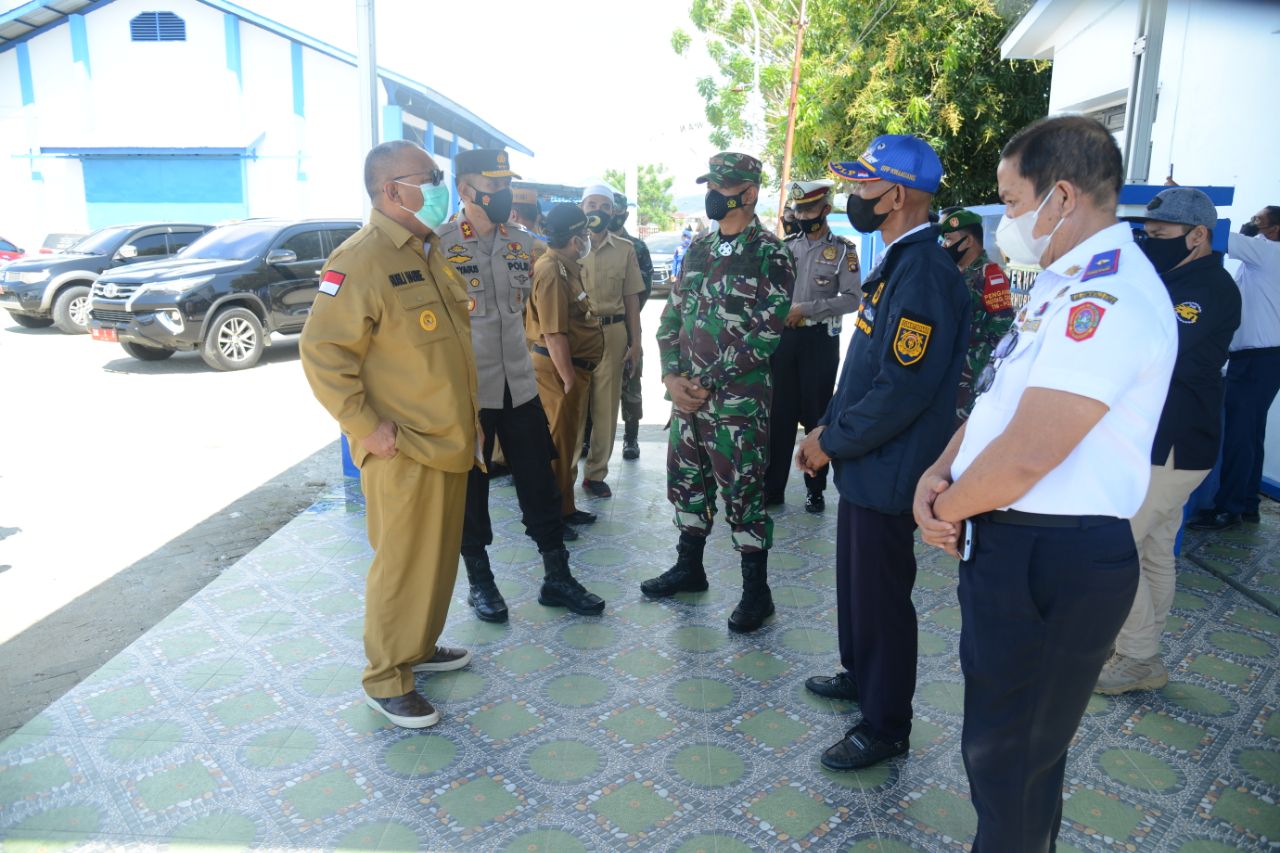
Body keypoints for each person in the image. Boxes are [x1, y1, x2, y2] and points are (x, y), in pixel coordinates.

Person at [913, 115, 1178, 851]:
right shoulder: (1061, 285)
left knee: (1012, 761)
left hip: (1054, 556)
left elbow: (1032, 452)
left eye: (1013, 200)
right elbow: (1001, 401)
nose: (1009, 221)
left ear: (1061, 196)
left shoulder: (1112, 296)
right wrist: (940, 471)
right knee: (1008, 755)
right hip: (1011, 540)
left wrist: (941, 509)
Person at [795, 136, 969, 769]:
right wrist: (825, 427)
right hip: (867, 460)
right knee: (856, 584)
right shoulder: (897, 260)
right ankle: (857, 671)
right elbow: (865, 366)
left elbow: (902, 388)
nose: (855, 198)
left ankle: (885, 722)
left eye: (866, 187)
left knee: (882, 598)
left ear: (896, 196)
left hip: (893, 466)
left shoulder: (923, 272)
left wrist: (829, 442)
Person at [299, 140, 476, 729]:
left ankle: (417, 648)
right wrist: (365, 428)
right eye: (428, 177)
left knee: (435, 560)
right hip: (402, 445)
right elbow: (323, 352)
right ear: (390, 190)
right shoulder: (361, 258)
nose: (438, 185)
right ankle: (386, 677)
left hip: (446, 440)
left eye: (438, 175)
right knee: (402, 564)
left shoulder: (428, 250)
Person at [437, 149, 604, 624]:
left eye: (507, 184)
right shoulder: (439, 245)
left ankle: (557, 577)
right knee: (473, 490)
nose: (504, 194)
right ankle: (481, 582)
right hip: (470, 396)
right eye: (495, 186)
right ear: (467, 190)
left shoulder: (525, 245)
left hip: (521, 389)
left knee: (540, 483)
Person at [640, 151, 795, 633]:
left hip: (737, 404)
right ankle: (690, 569)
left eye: (723, 186)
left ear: (749, 195)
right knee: (687, 485)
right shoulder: (701, 251)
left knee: (743, 493)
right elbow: (671, 320)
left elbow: (765, 336)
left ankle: (757, 593)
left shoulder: (772, 254)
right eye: (711, 184)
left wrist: (703, 383)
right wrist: (670, 379)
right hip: (687, 403)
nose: (713, 194)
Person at [1093, 188, 1240, 694]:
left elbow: (1158, 351)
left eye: (1161, 235)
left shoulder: (1209, 288)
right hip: (1160, 440)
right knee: (1154, 548)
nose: (1149, 243)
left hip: (1174, 444)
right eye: (1146, 234)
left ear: (1198, 235)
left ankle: (1137, 655)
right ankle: (1140, 651)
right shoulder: (1171, 279)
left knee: (1116, 546)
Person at [764, 179, 860, 513]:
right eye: (798, 209)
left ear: (825, 209)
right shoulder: (786, 247)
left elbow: (852, 299)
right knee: (780, 415)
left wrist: (806, 309)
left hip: (819, 341)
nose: (802, 215)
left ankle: (814, 489)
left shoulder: (843, 251)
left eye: (808, 209)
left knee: (815, 414)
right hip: (784, 340)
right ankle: (772, 487)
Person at [1189, 204, 1280, 530]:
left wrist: (1182, 198)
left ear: (1275, 229)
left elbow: (1219, 234)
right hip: (1263, 359)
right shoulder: (1262, 260)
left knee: (1241, 436)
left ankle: (1229, 508)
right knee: (1251, 435)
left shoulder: (1268, 252)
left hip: (1257, 359)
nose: (1252, 223)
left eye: (1258, 220)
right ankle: (1247, 503)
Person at [529, 205, 610, 540]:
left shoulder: (566, 267)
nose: (587, 241)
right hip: (558, 372)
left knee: (568, 447)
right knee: (556, 448)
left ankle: (566, 507)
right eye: (584, 236)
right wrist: (568, 379)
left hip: (571, 370)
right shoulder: (550, 271)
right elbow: (554, 333)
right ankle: (551, 519)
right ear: (575, 240)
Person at [576, 184, 645, 497]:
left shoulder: (625, 248)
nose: (598, 211)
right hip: (577, 333)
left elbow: (632, 299)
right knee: (573, 405)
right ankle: (564, 473)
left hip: (614, 332)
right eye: (592, 204)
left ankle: (595, 474)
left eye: (604, 206)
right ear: (581, 208)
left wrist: (637, 343)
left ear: (614, 212)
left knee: (606, 406)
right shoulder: (569, 246)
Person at [938, 208, 1015, 422]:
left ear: (968, 241)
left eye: (950, 239)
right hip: (947, 365)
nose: (945, 245)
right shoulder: (952, 272)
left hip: (970, 371)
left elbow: (1002, 326)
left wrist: (978, 363)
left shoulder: (990, 274)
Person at [611, 191, 654, 461]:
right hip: (593, 325)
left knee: (631, 381)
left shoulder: (636, 247)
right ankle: (588, 439)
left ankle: (631, 438)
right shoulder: (585, 244)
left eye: (614, 210)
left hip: (627, 325)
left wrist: (626, 314)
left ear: (624, 214)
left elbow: (644, 290)